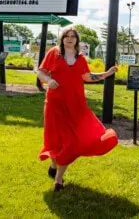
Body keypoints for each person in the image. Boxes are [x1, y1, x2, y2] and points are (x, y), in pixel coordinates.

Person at [36, 25, 119, 191]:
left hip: (76, 106)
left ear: (77, 40)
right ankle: (54, 165)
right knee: (54, 140)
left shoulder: (80, 59)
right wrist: (48, 80)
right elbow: (41, 72)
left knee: (72, 140)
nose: (69, 38)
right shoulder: (54, 53)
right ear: (62, 39)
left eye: (73, 36)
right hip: (54, 104)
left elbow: (88, 77)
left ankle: (58, 180)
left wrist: (107, 73)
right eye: (67, 35)